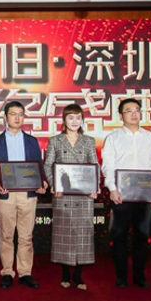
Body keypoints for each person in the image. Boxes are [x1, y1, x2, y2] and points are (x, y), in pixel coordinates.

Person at [102, 98, 151, 289]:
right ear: (121, 115)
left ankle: (139, 276)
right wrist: (112, 189)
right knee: (119, 236)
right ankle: (121, 276)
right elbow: (108, 166)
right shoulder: (113, 138)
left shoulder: (150, 138)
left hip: (145, 195)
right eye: (128, 110)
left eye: (137, 110)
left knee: (142, 236)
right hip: (121, 195)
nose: (133, 114)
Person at [0, 101, 47, 290]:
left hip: (28, 194)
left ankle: (25, 272)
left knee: (26, 236)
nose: (17, 117)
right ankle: (7, 272)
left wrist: (42, 181)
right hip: (5, 194)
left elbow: (38, 165)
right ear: (5, 117)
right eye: (13, 113)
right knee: (6, 236)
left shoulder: (31, 141)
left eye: (20, 113)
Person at [44, 104, 99, 291]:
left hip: (84, 195)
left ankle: (79, 276)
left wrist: (94, 187)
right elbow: (48, 165)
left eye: (78, 118)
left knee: (83, 235)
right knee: (64, 235)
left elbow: (94, 165)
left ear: (82, 120)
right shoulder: (55, 141)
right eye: (71, 118)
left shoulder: (88, 141)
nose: (75, 121)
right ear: (64, 120)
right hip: (62, 194)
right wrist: (54, 184)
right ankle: (65, 274)